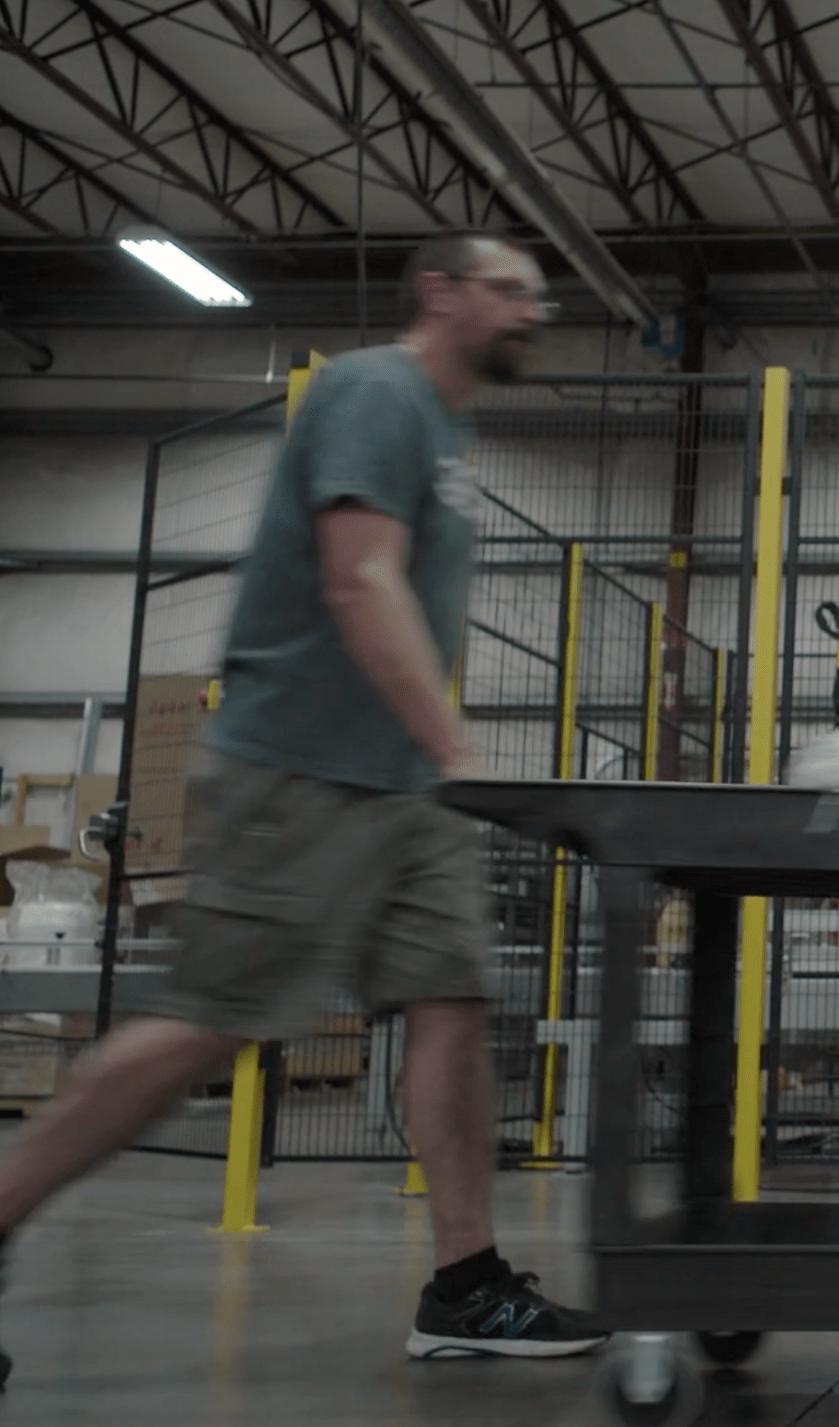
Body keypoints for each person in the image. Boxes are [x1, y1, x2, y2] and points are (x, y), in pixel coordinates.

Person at [0, 232, 607, 1380]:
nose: (536, 311)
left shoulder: (446, 429)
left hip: (403, 785)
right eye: (513, 290)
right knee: (212, 1016)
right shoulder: (376, 390)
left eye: (542, 294)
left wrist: (435, 764)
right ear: (442, 291)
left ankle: (467, 1283)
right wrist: (456, 744)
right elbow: (357, 576)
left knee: (452, 998)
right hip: (304, 769)